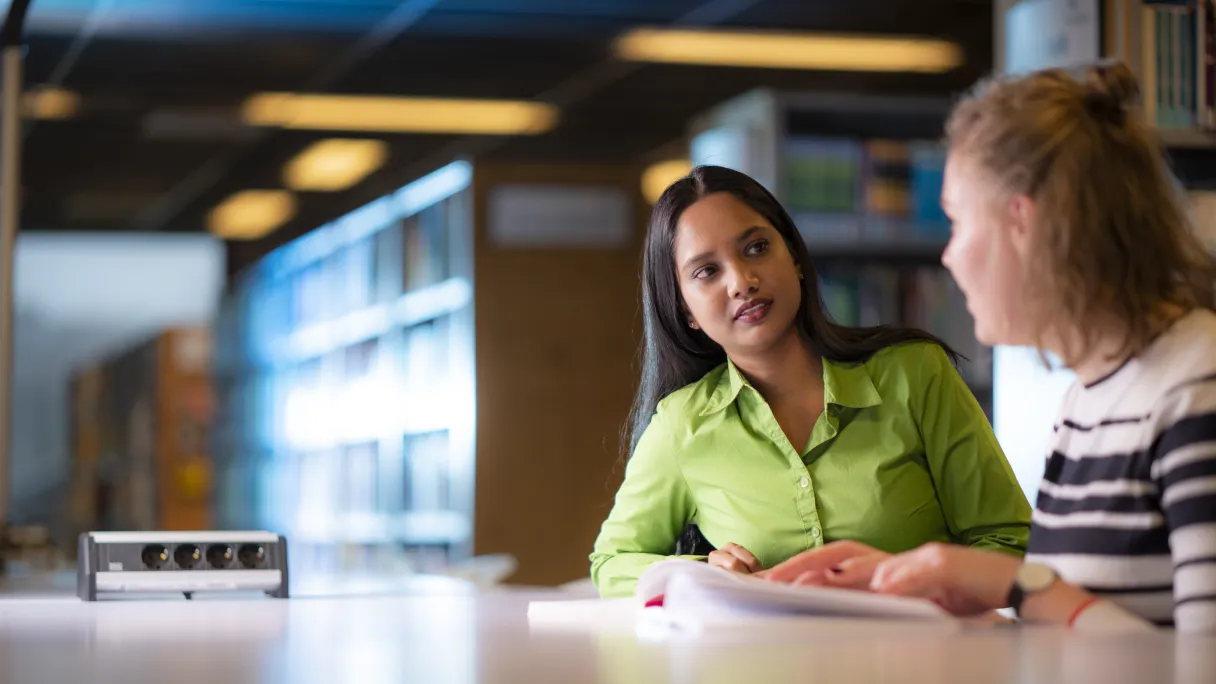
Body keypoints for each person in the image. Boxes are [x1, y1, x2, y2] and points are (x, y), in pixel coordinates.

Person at [763, 62, 1216, 634]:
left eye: (956, 221)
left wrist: (1009, 582)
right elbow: (1075, 624)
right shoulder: (1088, 397)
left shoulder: (1197, 384)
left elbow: (1202, 662)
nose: (948, 257)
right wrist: (924, 586)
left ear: (1021, 222)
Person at [588, 164, 1032, 598]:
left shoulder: (914, 373)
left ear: (795, 257)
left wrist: (915, 581)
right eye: (707, 271)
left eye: (757, 247)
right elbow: (612, 562)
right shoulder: (680, 425)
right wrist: (706, 573)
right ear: (686, 311)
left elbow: (1009, 541)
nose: (742, 281)